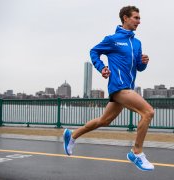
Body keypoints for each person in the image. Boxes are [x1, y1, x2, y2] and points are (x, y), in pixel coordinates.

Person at [63, 6, 155, 171]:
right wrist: (102, 68)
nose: (139, 21)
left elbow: (139, 68)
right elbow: (94, 51)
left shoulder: (137, 42)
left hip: (128, 88)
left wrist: (144, 62)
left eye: (139, 18)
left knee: (103, 121)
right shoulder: (112, 39)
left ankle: (72, 135)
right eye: (136, 18)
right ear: (125, 18)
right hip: (119, 87)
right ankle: (137, 152)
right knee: (148, 112)